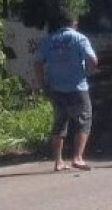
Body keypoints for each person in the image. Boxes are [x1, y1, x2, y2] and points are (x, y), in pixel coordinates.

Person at [34, 9, 98, 172]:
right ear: (74, 24)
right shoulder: (80, 38)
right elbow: (92, 60)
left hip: (56, 88)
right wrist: (88, 72)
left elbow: (38, 63)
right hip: (77, 87)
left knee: (60, 123)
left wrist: (43, 84)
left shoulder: (49, 40)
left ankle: (58, 161)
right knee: (83, 121)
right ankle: (77, 158)